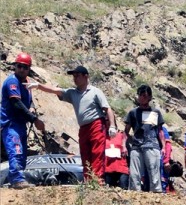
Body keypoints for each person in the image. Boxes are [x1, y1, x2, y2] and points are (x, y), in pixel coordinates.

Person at [33, 64, 115, 183]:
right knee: (85, 154)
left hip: (96, 124)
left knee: (97, 153)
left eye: (77, 76)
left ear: (86, 76)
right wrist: (39, 86)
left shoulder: (95, 91)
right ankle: (88, 181)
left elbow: (107, 109)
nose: (75, 78)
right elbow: (55, 90)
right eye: (74, 76)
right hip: (83, 128)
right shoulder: (73, 93)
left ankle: (97, 181)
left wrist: (112, 125)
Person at [1, 52, 45, 188]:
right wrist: (34, 119)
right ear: (15, 66)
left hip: (21, 124)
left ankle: (14, 179)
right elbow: (16, 103)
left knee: (23, 155)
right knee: (16, 150)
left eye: (25, 67)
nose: (22, 69)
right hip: (10, 124)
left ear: (29, 69)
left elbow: (29, 102)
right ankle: (17, 179)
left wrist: (31, 109)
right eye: (19, 66)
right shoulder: (12, 81)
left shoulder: (27, 84)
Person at [124, 85, 165, 193]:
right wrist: (128, 142)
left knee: (153, 170)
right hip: (136, 146)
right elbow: (126, 130)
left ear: (150, 97)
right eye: (140, 95)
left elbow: (160, 131)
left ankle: (156, 193)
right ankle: (135, 193)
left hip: (152, 145)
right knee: (134, 173)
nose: (142, 98)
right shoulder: (133, 113)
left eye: (144, 96)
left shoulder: (156, 112)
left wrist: (164, 146)